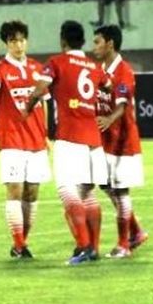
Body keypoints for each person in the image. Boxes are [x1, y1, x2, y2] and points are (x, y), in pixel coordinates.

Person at [25, 20, 109, 265]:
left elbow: (41, 88)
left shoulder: (56, 62)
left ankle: (84, 246)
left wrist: (27, 107)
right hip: (93, 137)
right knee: (88, 194)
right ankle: (93, 248)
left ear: (63, 40)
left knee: (66, 190)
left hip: (70, 136)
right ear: (82, 41)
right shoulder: (94, 67)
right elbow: (108, 85)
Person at [0, 20, 50, 259]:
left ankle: (22, 243)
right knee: (15, 189)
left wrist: (47, 133)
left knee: (32, 193)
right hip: (11, 138)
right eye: (13, 41)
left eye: (21, 40)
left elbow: (44, 102)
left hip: (36, 140)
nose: (18, 45)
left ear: (27, 41)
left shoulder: (38, 68)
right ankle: (20, 245)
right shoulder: (1, 67)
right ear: (6, 44)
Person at [92, 25, 148, 258]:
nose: (94, 46)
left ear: (110, 44)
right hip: (105, 141)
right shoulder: (98, 70)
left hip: (123, 142)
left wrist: (109, 118)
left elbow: (123, 105)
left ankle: (124, 244)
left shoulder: (124, 71)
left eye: (97, 42)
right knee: (106, 186)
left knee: (120, 190)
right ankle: (136, 232)